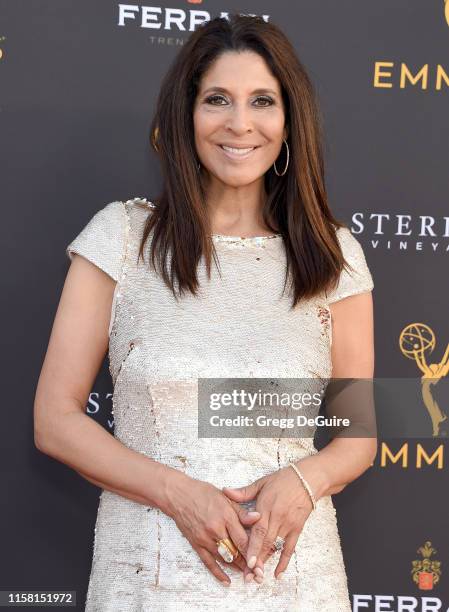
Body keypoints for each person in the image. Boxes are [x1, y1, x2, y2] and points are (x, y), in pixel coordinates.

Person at [34, 14, 376, 612]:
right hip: (146, 575)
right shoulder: (120, 239)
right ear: (186, 115)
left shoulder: (333, 254)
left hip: (293, 581)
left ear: (289, 120)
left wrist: (303, 481)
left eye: (262, 101)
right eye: (218, 99)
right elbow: (55, 420)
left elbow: (360, 435)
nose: (240, 124)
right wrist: (176, 493)